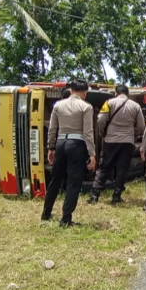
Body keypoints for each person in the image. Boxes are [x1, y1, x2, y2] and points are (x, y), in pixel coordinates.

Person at [42, 79, 96, 227]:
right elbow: (88, 132)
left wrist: (51, 147)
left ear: (71, 90)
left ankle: (46, 212)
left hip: (60, 142)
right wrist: (92, 153)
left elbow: (52, 129)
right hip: (76, 144)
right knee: (73, 182)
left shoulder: (58, 105)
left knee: (56, 179)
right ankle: (66, 218)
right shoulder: (86, 107)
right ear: (85, 92)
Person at [88, 85, 145, 204]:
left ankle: (95, 195)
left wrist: (103, 132)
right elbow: (141, 126)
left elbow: (100, 120)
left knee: (104, 167)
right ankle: (116, 196)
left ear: (116, 93)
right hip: (127, 142)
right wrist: (132, 135)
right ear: (127, 94)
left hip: (110, 141)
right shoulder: (135, 106)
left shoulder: (109, 103)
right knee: (122, 169)